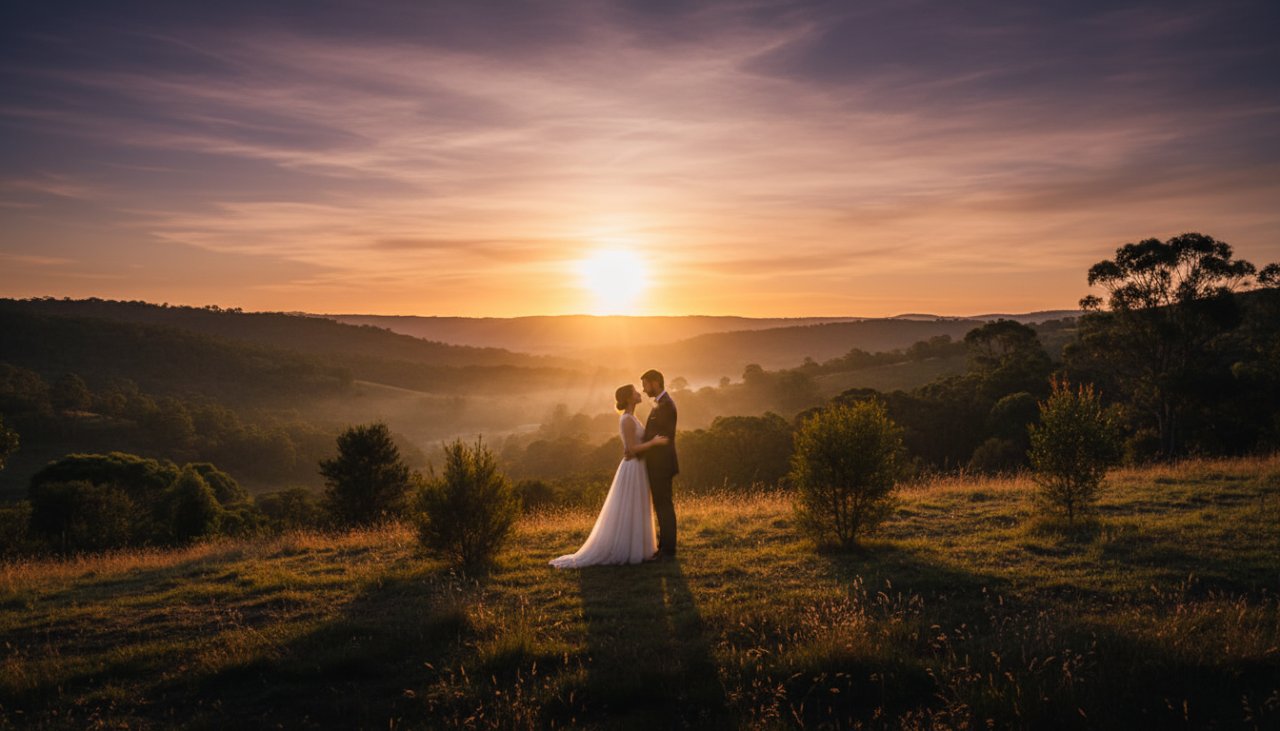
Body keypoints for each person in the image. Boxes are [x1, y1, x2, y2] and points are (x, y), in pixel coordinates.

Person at [549, 384, 667, 568]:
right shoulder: (627, 419)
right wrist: (653, 443)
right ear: (629, 398)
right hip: (633, 468)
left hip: (638, 467)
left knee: (636, 507)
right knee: (630, 507)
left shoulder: (632, 418)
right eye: (635, 392)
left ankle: (638, 549)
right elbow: (631, 449)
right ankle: (629, 550)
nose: (639, 393)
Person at [639, 368, 678, 559]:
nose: (644, 389)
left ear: (655, 382)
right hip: (658, 465)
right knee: (661, 505)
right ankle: (663, 547)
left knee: (664, 506)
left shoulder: (666, 405)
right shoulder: (661, 404)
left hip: (661, 465)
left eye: (645, 385)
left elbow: (663, 437)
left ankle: (668, 550)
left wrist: (640, 447)